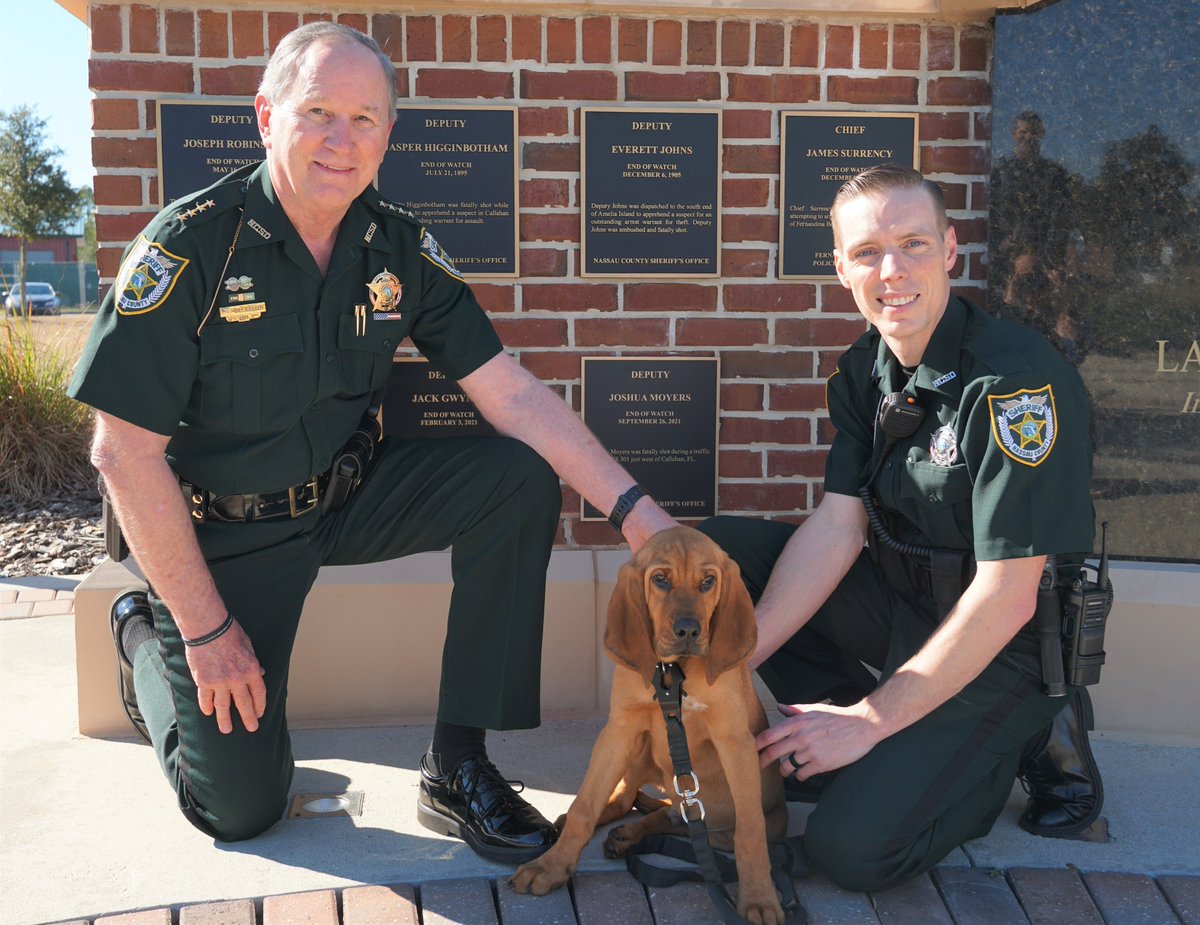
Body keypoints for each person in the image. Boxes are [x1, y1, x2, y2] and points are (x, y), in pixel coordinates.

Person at [68, 22, 673, 862]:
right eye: (317, 111)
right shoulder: (190, 245)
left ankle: (456, 765)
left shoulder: (395, 245)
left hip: (347, 498)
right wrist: (204, 631)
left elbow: (510, 393)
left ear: (388, 134)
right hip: (226, 537)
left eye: (363, 118)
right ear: (265, 116)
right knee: (239, 807)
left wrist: (638, 513)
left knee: (514, 478)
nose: (339, 140)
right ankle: (145, 638)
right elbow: (121, 453)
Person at [699, 164, 1104, 892]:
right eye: (866, 252)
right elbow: (838, 526)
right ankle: (857, 737)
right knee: (720, 557)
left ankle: (1017, 739)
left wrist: (871, 720)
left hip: (1006, 644)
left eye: (913, 244)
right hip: (905, 604)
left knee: (850, 851)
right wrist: (728, 657)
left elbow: (1008, 595)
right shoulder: (866, 368)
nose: (892, 271)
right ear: (839, 265)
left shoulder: (1013, 387)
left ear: (951, 250)